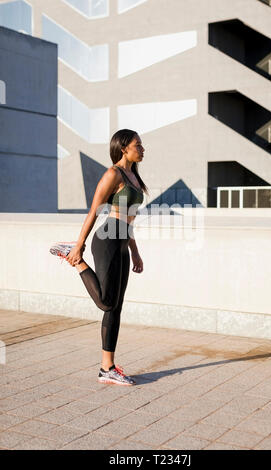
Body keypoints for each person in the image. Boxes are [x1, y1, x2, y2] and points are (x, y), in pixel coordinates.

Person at [50, 129, 148, 386]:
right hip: (106, 240)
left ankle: (108, 368)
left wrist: (134, 251)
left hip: (122, 243)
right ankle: (73, 257)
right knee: (106, 303)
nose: (142, 148)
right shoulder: (112, 174)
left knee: (116, 307)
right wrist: (79, 246)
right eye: (138, 145)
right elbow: (95, 210)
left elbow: (129, 219)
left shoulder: (134, 177)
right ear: (124, 148)